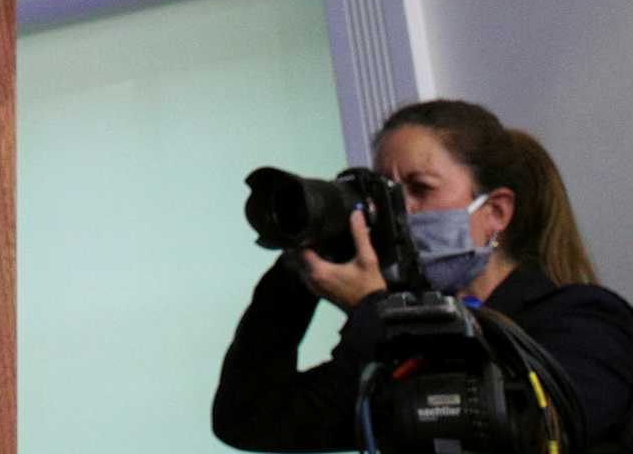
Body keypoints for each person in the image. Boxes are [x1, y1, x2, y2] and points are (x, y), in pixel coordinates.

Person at [214, 99, 633, 453]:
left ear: (496, 212)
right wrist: (293, 279)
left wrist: (373, 312)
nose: (400, 212)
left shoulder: (584, 320)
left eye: (421, 188)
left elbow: (532, 429)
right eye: (387, 195)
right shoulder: (396, 351)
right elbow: (250, 417)